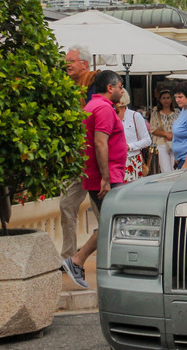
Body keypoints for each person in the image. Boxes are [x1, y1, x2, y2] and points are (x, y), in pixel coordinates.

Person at [62, 71, 127, 289]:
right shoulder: (103, 108)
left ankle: (107, 267)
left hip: (99, 176)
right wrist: (106, 179)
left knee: (112, 224)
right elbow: (100, 143)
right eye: (120, 86)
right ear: (110, 88)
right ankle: (76, 261)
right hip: (106, 177)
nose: (122, 90)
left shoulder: (92, 106)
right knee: (112, 225)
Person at [59, 45, 99, 260]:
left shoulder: (95, 85)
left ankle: (107, 256)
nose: (68, 64)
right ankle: (67, 257)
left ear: (84, 63)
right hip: (76, 158)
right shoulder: (65, 87)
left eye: (72, 60)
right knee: (66, 204)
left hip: (94, 159)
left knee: (103, 214)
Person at [115, 90, 151, 182]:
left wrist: (129, 146)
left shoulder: (135, 116)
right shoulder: (111, 115)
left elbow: (147, 140)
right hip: (115, 160)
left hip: (133, 159)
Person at [150, 89, 179, 173]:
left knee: (176, 169)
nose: (166, 100)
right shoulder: (155, 113)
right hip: (162, 143)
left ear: (171, 99)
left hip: (175, 142)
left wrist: (173, 135)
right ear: (160, 100)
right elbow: (153, 129)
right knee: (165, 170)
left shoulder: (177, 112)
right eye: (163, 98)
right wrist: (166, 134)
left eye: (168, 97)